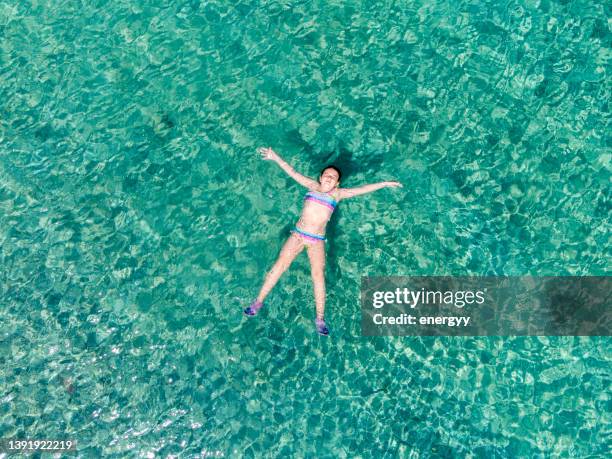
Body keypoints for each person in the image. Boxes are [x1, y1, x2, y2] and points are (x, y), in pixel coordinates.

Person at [244, 147, 402, 336]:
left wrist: (384, 184)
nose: (328, 177)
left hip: (317, 241)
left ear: (337, 183)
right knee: (279, 266)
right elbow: (292, 172)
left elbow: (361, 190)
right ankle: (258, 302)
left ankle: (319, 318)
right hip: (297, 235)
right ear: (320, 177)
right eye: (326, 174)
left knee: (318, 276)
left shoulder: (337, 194)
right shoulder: (311, 186)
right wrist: (274, 156)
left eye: (333, 177)